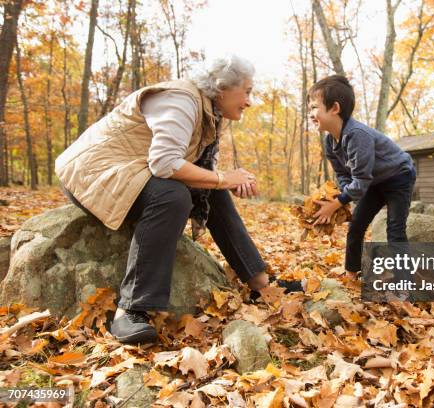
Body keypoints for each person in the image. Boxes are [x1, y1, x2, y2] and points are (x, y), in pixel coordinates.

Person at [55, 55, 275, 344]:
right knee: (173, 196)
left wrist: (224, 181)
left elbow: (200, 173)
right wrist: (223, 178)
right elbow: (165, 164)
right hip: (90, 175)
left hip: (130, 172)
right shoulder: (181, 99)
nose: (249, 100)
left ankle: (261, 283)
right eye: (246, 91)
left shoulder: (211, 112)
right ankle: (130, 309)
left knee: (210, 188)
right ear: (222, 88)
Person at [308, 75, 416, 276]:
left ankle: (404, 284)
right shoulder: (330, 143)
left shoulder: (357, 135)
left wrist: (339, 202)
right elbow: (342, 174)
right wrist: (342, 196)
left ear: (335, 108)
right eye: (310, 109)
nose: (311, 114)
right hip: (372, 182)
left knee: (395, 229)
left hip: (398, 176)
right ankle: (352, 272)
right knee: (357, 224)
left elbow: (361, 179)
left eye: (314, 107)